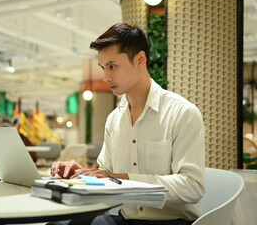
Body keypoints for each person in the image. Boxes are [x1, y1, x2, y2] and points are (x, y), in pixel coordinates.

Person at [50, 23, 205, 225]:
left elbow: (192, 187)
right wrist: (81, 175)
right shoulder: (114, 119)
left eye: (112, 66)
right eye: (103, 68)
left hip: (171, 221)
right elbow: (106, 174)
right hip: (126, 219)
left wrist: (121, 178)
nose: (106, 77)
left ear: (140, 59)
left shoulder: (182, 113)